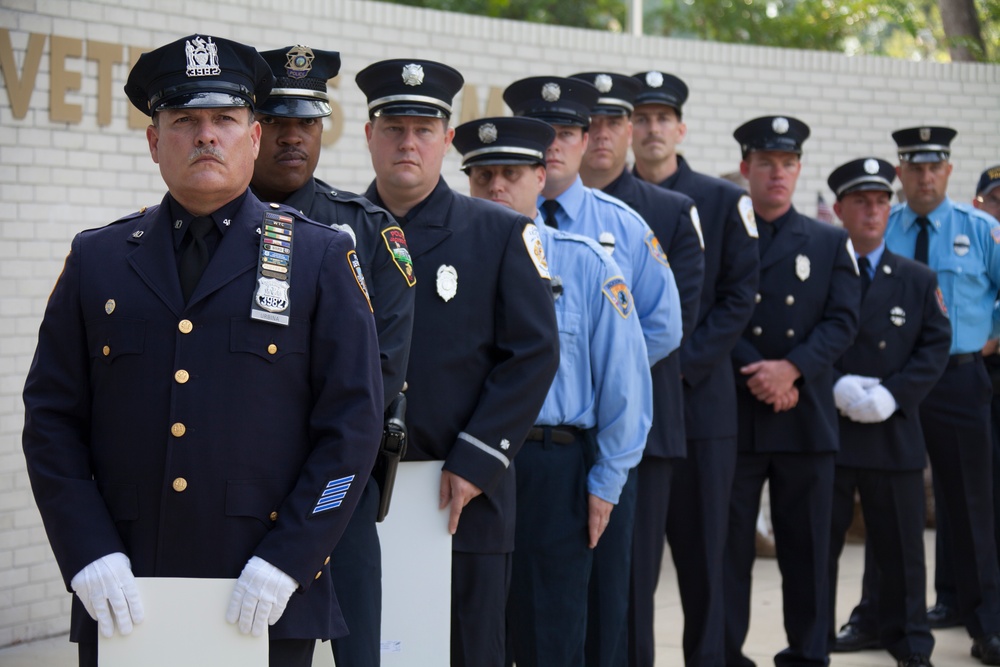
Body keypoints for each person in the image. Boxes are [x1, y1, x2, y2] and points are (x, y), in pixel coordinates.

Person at [21, 35, 385, 667]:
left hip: (263, 594)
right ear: (154, 142)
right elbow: (51, 420)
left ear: (253, 137)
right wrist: (86, 550)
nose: (206, 136)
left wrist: (291, 558)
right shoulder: (98, 259)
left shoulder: (320, 257)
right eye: (184, 120)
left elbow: (352, 430)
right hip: (126, 589)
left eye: (225, 119)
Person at [355, 59, 560, 667]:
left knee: (469, 650)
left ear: (447, 139)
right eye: (393, 128)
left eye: (423, 129)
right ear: (369, 135)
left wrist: (478, 458)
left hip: (461, 494)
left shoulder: (499, 233)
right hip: (355, 492)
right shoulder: (332, 228)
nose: (407, 143)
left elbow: (533, 354)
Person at [454, 114, 652, 667]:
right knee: (469, 634)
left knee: (550, 638)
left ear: (541, 177)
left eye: (511, 174)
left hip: (551, 468)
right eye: (482, 175)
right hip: (467, 470)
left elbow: (627, 385)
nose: (495, 187)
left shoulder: (586, 263)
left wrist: (606, 482)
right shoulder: (446, 264)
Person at [504, 74, 683, 667]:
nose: (554, 145)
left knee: (605, 601)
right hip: (514, 450)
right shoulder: (491, 223)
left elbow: (660, 327)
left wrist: (605, 379)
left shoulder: (622, 226)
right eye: (541, 134)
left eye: (567, 132)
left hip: (591, 443)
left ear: (586, 140)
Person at [250, 45, 416, 667]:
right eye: (280, 122)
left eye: (308, 122)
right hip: (246, 498)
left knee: (358, 656)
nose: (295, 138)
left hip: (337, 494)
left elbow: (382, 371)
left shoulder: (370, 232)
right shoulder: (218, 227)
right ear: (255, 126)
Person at [627, 68, 760, 667]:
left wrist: (681, 366)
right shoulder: (611, 202)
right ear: (628, 128)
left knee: (707, 556)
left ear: (680, 128)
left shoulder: (725, 200)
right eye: (642, 118)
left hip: (701, 405)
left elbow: (739, 296)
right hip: (633, 413)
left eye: (663, 119)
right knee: (634, 566)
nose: (653, 129)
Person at [725, 115, 860, 667]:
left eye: (787, 164)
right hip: (735, 411)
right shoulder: (723, 234)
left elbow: (843, 319)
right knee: (727, 549)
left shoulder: (829, 241)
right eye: (765, 164)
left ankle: (808, 654)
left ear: (799, 170)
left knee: (807, 550)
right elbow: (710, 313)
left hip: (803, 415)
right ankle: (724, 653)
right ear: (746, 169)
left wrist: (792, 370)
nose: (777, 175)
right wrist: (759, 369)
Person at [825, 157, 951, 667]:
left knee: (902, 553)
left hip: (892, 431)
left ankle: (912, 648)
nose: (873, 211)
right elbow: (799, 333)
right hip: (828, 431)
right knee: (818, 549)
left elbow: (935, 345)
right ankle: (813, 644)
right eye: (861, 201)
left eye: (881, 201)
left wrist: (894, 394)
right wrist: (831, 384)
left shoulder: (917, 279)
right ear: (840, 209)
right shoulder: (818, 267)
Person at [882, 127, 1000, 665]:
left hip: (958, 378)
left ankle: (987, 623)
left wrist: (989, 334)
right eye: (914, 167)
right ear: (901, 172)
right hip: (896, 383)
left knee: (972, 504)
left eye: (934, 167)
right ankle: (881, 616)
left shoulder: (979, 229)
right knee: (886, 501)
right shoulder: (883, 226)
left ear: (948, 171)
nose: (925, 176)